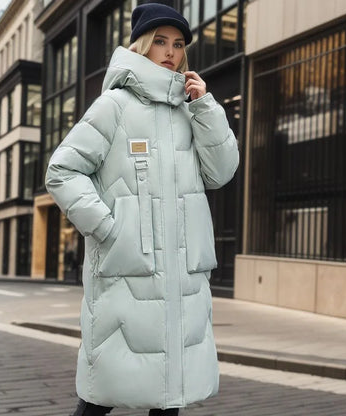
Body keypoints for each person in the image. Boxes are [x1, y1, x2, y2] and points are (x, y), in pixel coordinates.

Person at [45, 3, 239, 416]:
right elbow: (62, 171)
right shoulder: (113, 106)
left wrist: (206, 107)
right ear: (142, 45)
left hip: (181, 280)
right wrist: (109, 228)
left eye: (179, 44)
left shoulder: (191, 109)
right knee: (101, 397)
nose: (170, 51)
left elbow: (221, 172)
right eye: (160, 42)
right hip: (127, 272)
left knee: (170, 397)